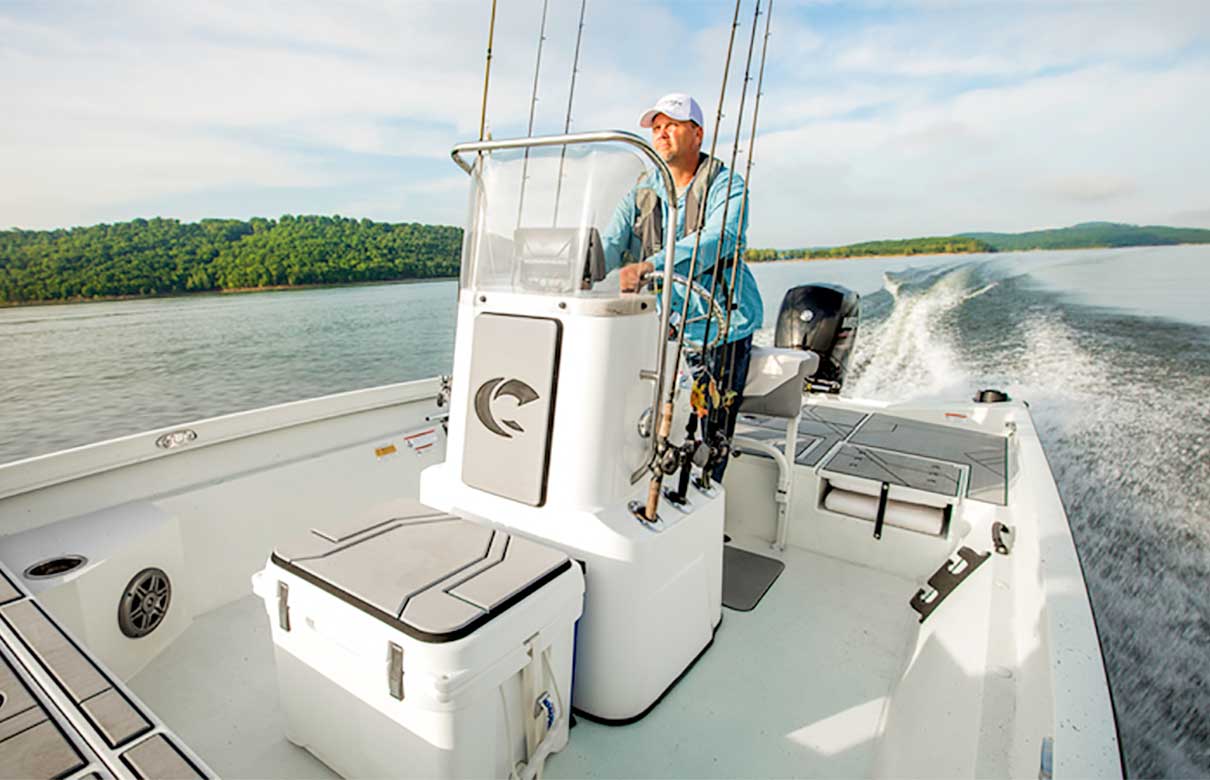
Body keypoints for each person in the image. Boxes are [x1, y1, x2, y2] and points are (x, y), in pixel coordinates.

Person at [601, 92, 764, 482]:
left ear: (697, 134)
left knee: (711, 430)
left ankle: (705, 496)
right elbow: (609, 244)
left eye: (671, 125)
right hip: (661, 325)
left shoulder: (727, 186)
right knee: (646, 415)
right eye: (656, 128)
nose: (661, 134)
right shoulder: (641, 191)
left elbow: (717, 240)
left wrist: (649, 266)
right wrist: (581, 266)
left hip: (719, 326)